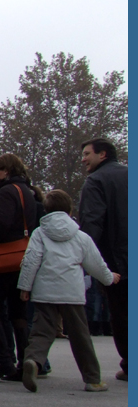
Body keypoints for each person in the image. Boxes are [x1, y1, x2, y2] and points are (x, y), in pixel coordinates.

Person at [17, 189, 118, 393]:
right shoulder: (81, 236)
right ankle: (92, 379)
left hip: (45, 292)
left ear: (46, 209)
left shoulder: (39, 233)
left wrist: (24, 287)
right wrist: (109, 278)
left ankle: (33, 362)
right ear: (69, 209)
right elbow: (95, 264)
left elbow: (30, 261)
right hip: (71, 292)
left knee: (41, 333)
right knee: (80, 337)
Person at [0, 153, 43, 381]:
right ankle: (24, 362)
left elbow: (1, 223)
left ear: (7, 170)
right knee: (18, 312)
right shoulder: (28, 191)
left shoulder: (6, 192)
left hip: (3, 257)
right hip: (22, 256)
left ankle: (4, 361)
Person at [77, 138, 127, 381]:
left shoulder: (96, 181)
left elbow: (91, 224)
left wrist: (84, 259)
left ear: (103, 154)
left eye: (87, 154)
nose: (84, 159)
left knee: (121, 313)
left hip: (116, 263)